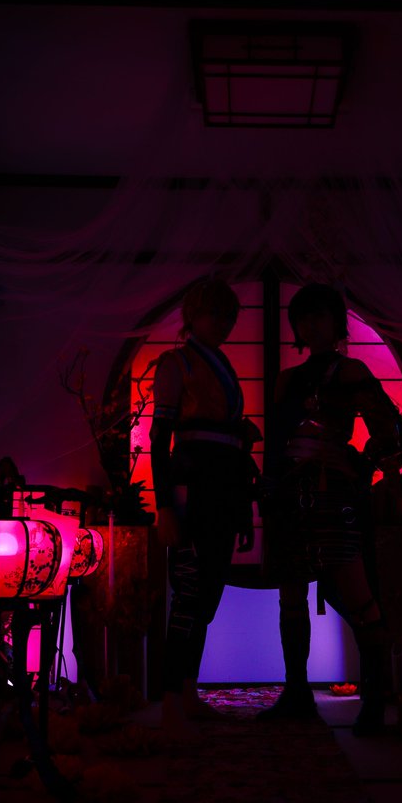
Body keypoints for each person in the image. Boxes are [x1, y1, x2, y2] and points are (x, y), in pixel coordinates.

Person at [258, 283, 402, 736]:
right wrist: (268, 493)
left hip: (332, 494)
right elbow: (275, 446)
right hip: (290, 496)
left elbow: (391, 429)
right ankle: (297, 693)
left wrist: (359, 463)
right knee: (290, 595)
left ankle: (374, 702)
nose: (311, 325)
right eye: (303, 318)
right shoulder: (287, 380)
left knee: (358, 594)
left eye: (319, 316)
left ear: (336, 322)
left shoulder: (351, 371)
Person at [150, 278, 260, 740]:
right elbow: (159, 439)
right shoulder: (176, 362)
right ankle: (171, 702)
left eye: (229, 316)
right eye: (215, 314)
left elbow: (233, 446)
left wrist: (243, 512)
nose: (224, 324)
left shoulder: (222, 364)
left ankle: (188, 693)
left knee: (208, 597)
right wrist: (164, 507)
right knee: (190, 595)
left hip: (224, 488)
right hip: (192, 487)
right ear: (193, 315)